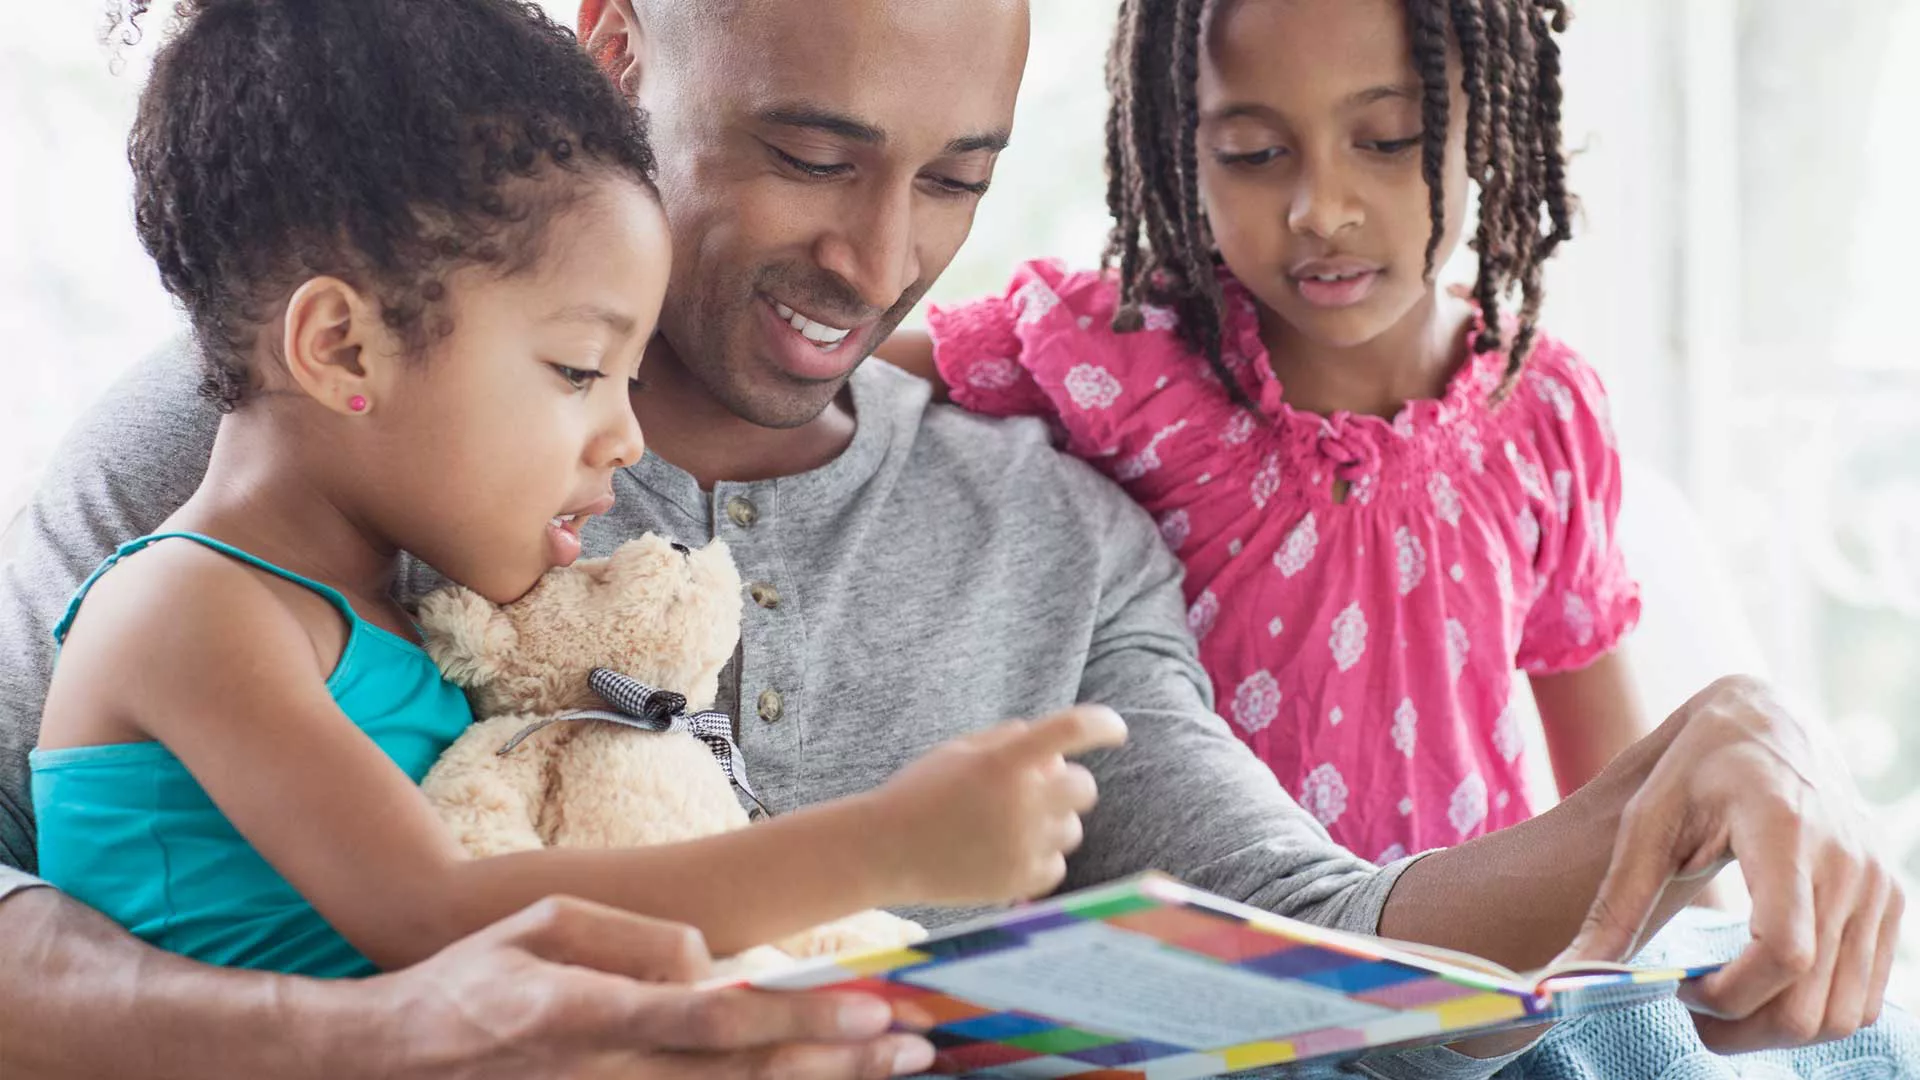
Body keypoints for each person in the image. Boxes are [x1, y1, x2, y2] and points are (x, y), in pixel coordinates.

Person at [0, 0, 1906, 1076]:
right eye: (811, 154)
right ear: (615, 58)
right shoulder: (269, 432)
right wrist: (365, 1042)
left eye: (958, 181)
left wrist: (1693, 773)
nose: (876, 257)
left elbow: (1313, 940)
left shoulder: (1055, 523)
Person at [33, 0, 1117, 984]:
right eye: (577, 371)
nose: (625, 436)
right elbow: (442, 914)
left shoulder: (389, 616)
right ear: (342, 348)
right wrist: (879, 845)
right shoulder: (189, 614)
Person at [878, 0, 1659, 870]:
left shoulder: (1544, 412)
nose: (1321, 210)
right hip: (1188, 970)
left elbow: (1623, 797)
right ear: (1183, 149)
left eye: (1391, 137)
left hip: (1466, 971)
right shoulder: (1129, 363)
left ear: (1482, 120)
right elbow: (837, 361)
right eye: (1253, 154)